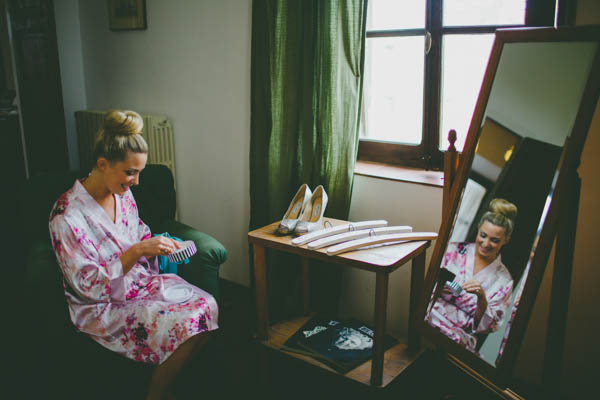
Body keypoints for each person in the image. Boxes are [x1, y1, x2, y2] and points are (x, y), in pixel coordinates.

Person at [49, 110, 218, 400]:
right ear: (102, 164)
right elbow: (88, 287)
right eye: (131, 172)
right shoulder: (66, 217)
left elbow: (138, 231)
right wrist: (138, 250)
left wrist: (156, 244)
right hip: (102, 305)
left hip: (139, 282)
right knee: (186, 323)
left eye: (139, 172)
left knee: (207, 305)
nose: (136, 182)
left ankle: (172, 380)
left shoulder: (122, 193)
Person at [425, 198, 516, 353]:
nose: (486, 244)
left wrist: (481, 298)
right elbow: (428, 281)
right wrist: (461, 294)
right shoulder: (453, 251)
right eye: (483, 235)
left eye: (494, 240)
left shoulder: (504, 281)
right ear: (479, 228)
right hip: (429, 316)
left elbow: (490, 324)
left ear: (506, 240)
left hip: (460, 338)